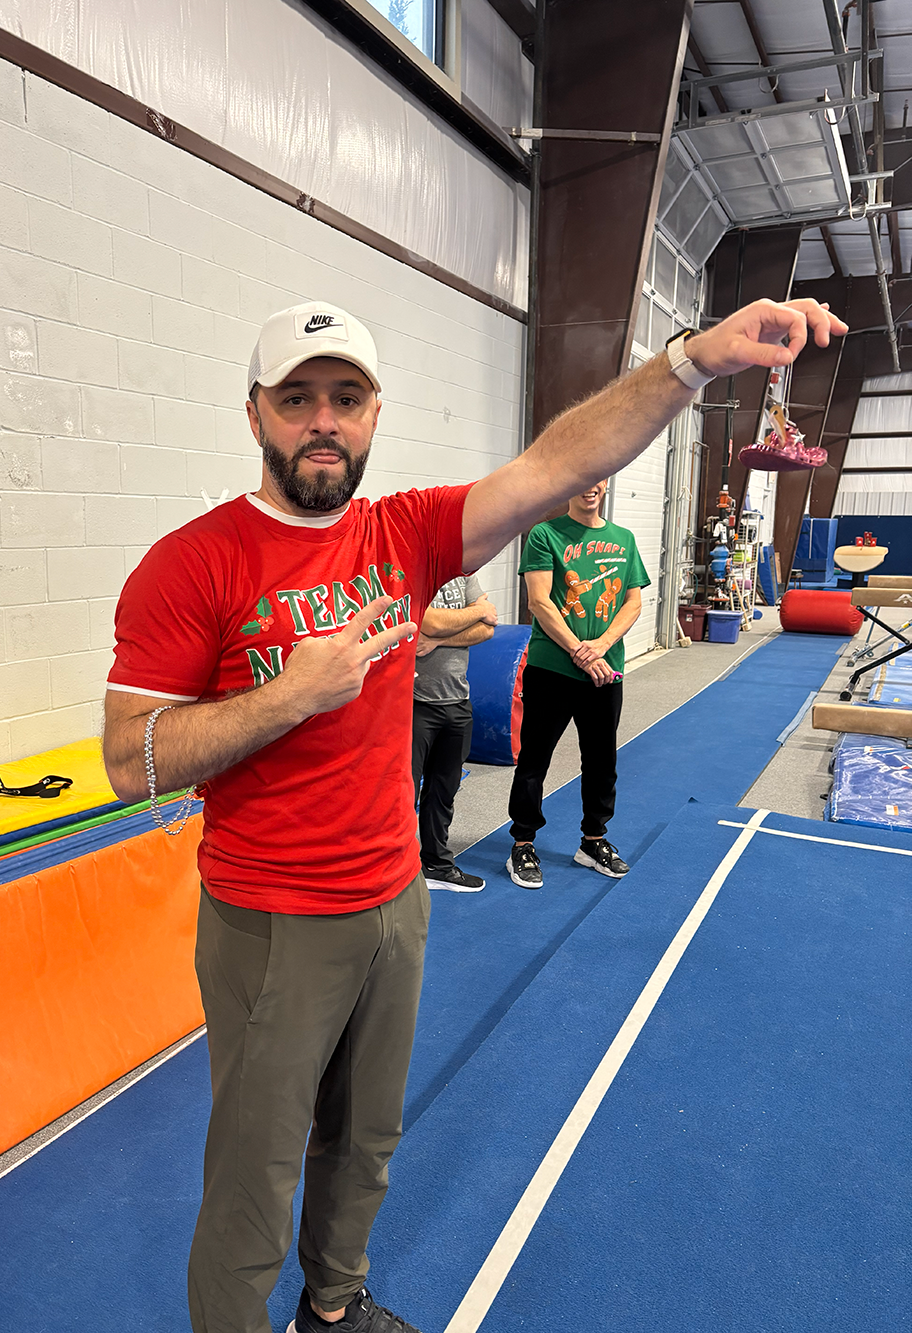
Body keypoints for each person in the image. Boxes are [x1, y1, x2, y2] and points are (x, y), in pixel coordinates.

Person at [101, 297, 847, 1333]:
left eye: (346, 397)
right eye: (297, 398)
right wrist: (288, 696)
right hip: (272, 918)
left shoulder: (402, 533)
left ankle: (332, 1307)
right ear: (256, 412)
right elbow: (128, 761)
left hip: (393, 901)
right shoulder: (195, 561)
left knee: (366, 1140)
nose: (323, 420)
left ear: (373, 414)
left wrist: (691, 363)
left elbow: (556, 462)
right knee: (255, 1172)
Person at [506, 480, 649, 890]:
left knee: (602, 760)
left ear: (606, 485)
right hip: (552, 669)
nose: (591, 487)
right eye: (583, 480)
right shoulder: (544, 534)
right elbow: (539, 602)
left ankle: (593, 841)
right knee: (534, 760)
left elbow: (633, 602)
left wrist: (601, 646)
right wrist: (580, 652)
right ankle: (522, 842)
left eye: (598, 479)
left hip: (606, 670)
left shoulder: (624, 539)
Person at [411, 576, 497, 891]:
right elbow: (430, 622)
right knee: (404, 793)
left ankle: (437, 865)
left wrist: (437, 641)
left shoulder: (465, 577)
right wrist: (477, 611)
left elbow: (487, 628)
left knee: (443, 791)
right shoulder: (416, 573)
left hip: (458, 700)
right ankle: (399, 870)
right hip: (414, 702)